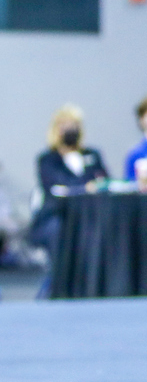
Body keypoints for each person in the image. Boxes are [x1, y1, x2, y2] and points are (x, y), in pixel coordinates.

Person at [29, 106, 108, 297]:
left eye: (74, 125)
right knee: (59, 231)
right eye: (64, 125)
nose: (70, 129)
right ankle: (56, 288)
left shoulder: (92, 155)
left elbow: (103, 181)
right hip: (56, 217)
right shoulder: (47, 159)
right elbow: (56, 185)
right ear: (55, 129)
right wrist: (85, 186)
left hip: (89, 216)